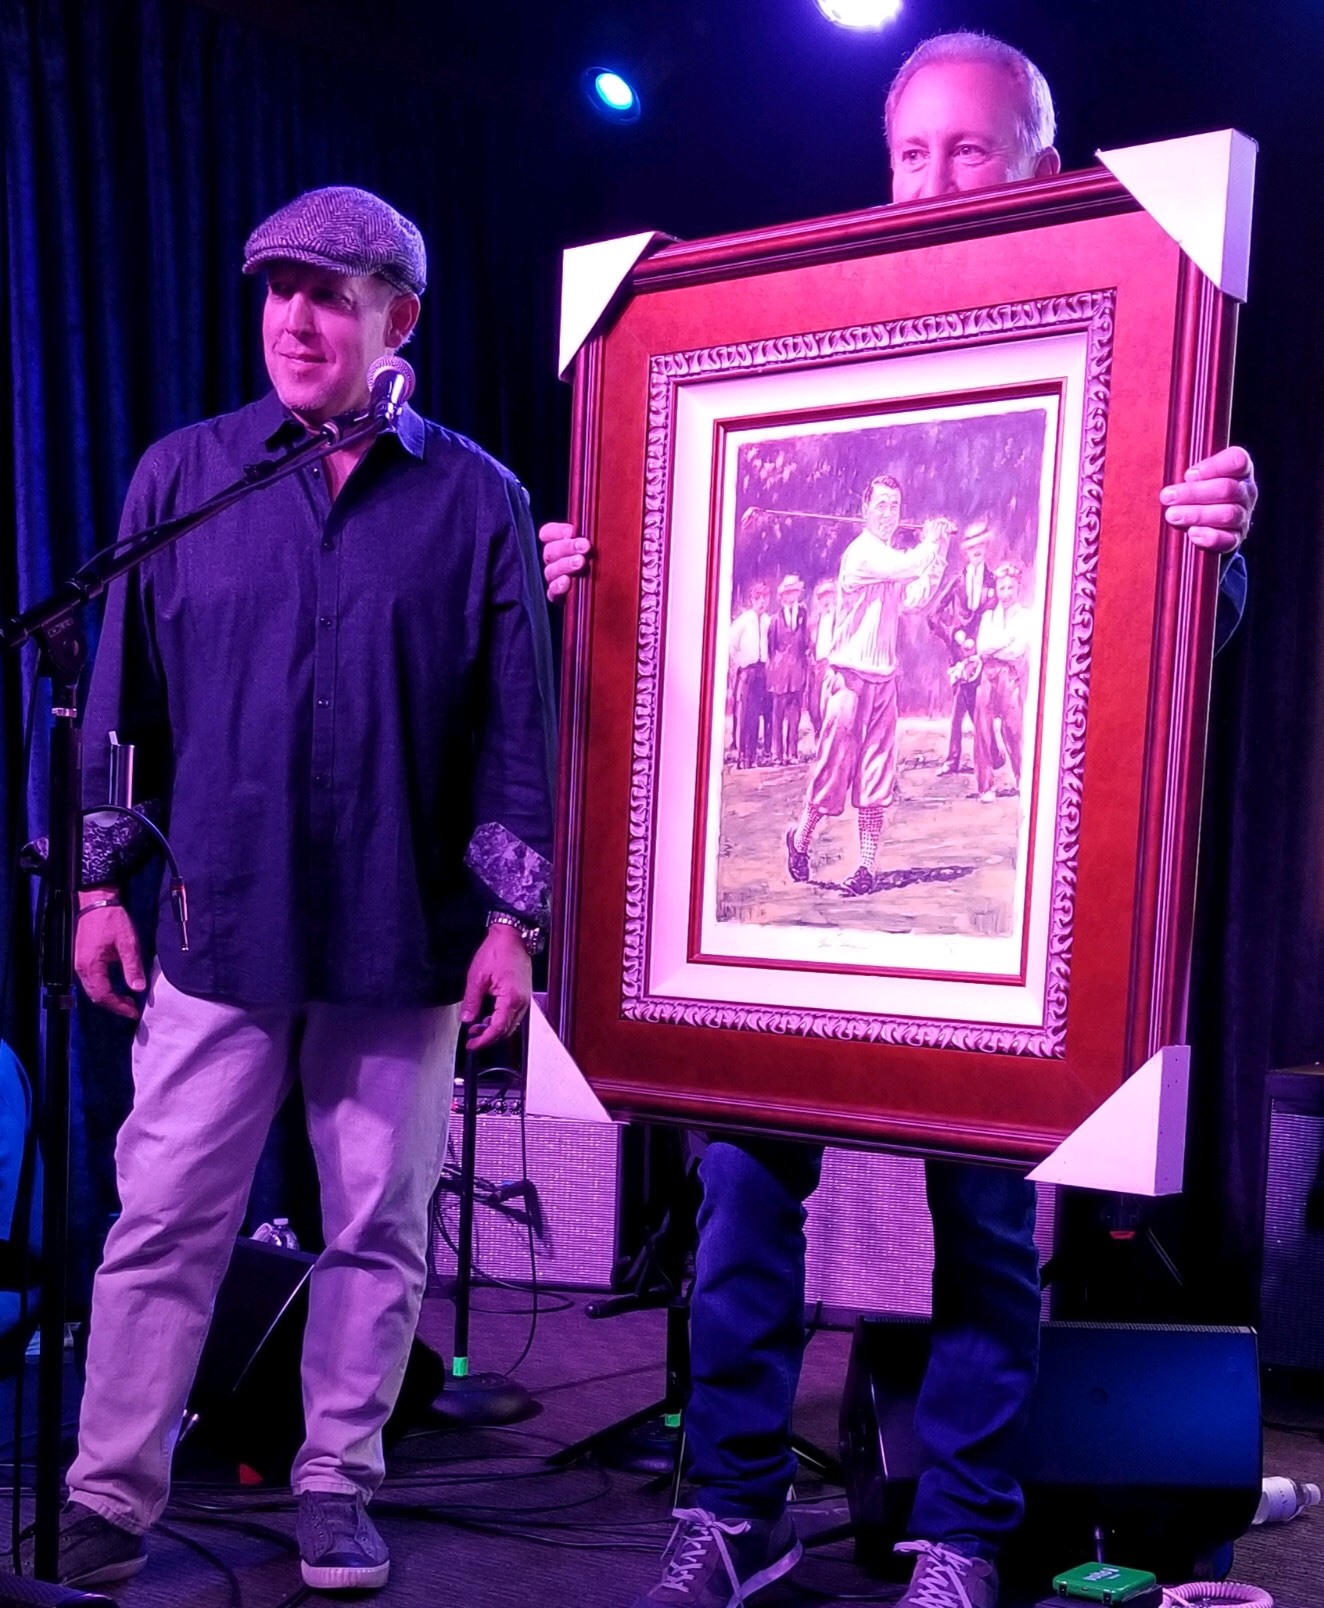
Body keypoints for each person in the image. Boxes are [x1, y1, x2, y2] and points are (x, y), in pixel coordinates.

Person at [540, 31, 1258, 1608]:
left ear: (1043, 167)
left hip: (1009, 962)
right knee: (741, 1197)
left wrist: (1209, 552)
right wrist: (596, 585)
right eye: (910, 154)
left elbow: (1144, 663)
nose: (933, 183)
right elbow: (696, 605)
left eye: (970, 150)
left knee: (988, 1227)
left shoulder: (1115, 356)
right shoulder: (806, 353)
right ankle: (737, 1510)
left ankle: (965, 1529)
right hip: (771, 947)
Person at [45, 186, 556, 1594]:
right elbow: (120, 705)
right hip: (219, 921)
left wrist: (513, 920)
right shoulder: (186, 477)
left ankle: (338, 1479)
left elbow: (517, 726)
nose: (294, 320)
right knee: (162, 1220)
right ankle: (108, 1492)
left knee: (377, 1230)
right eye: (278, 291)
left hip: (400, 933)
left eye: (330, 293)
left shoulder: (478, 499)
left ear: (401, 317)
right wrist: (98, 890)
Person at [787, 479, 951, 895]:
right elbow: (907, 567)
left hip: (883, 682)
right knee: (832, 772)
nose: (888, 513)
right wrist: (931, 543)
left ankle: (864, 866)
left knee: (876, 777)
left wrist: (940, 553)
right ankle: (800, 839)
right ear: (865, 510)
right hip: (848, 681)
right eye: (880, 505)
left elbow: (915, 598)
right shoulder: (862, 553)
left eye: (894, 505)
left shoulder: (892, 560)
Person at [927, 522, 998, 776]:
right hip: (959, 657)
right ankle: (963, 758)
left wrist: (986, 645)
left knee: (978, 705)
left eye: (981, 545)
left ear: (987, 547)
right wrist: (954, 635)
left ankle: (986, 755)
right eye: (971, 547)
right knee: (961, 706)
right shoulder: (957, 581)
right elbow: (933, 615)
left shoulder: (994, 582)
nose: (977, 550)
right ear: (965, 552)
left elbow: (999, 616)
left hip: (983, 655)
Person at [973, 563, 1032, 800]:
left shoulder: (1026, 616)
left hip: (1010, 676)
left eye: (1010, 588)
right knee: (983, 728)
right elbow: (981, 647)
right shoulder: (988, 616)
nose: (1005, 593)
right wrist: (1006, 639)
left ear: (1018, 588)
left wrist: (995, 646)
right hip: (987, 676)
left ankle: (1022, 778)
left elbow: (1017, 650)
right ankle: (986, 786)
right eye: (1001, 588)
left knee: (1013, 729)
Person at [766, 574, 810, 764]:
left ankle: (792, 753)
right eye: (788, 593)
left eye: (795, 592)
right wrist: (775, 670)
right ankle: (777, 754)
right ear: (782, 596)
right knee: (777, 716)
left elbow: (806, 641)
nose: (792, 596)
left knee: (795, 716)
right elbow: (771, 648)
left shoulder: (803, 616)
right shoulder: (775, 620)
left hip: (798, 673)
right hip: (779, 676)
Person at [729, 580, 772, 767]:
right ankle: (743, 756)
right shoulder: (743, 621)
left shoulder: (769, 621)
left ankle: (753, 757)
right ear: (751, 600)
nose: (761, 602)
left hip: (763, 671)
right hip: (748, 671)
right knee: (747, 714)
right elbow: (732, 644)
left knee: (759, 715)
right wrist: (740, 662)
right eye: (757, 598)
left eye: (764, 598)